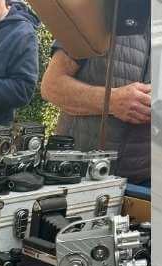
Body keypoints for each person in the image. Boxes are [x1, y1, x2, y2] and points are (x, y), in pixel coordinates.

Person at [40, 32, 151, 186]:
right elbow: (51, 86)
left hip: (146, 186)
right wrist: (111, 101)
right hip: (76, 176)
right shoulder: (93, 16)